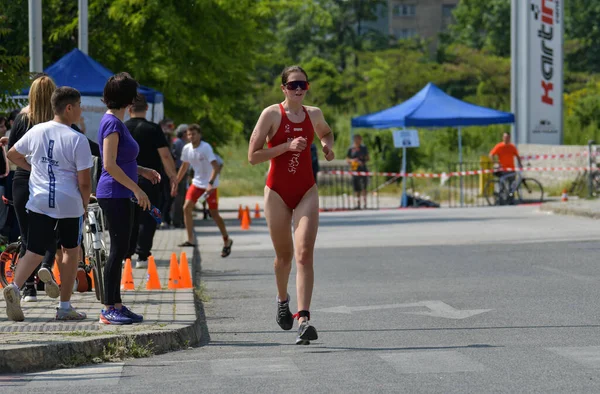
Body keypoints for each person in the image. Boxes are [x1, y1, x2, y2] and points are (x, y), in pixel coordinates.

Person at [248, 65, 335, 345]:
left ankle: (304, 319)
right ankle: (282, 299)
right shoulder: (272, 114)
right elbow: (253, 156)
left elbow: (326, 132)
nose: (299, 89)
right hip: (277, 192)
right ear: (283, 88)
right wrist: (286, 147)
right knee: (284, 258)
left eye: (303, 85)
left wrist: (326, 146)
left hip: (306, 190)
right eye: (293, 84)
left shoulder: (314, 113)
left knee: (304, 253)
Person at [3, 87, 93, 322]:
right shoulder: (78, 139)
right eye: (80, 106)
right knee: (70, 251)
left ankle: (14, 286)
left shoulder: (36, 131)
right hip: (69, 201)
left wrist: (34, 168)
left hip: (40, 199)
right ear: (69, 108)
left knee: (33, 250)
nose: (81, 112)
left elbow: (12, 153)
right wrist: (84, 204)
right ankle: (64, 306)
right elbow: (84, 182)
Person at [96, 72, 160, 325]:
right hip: (115, 193)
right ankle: (107, 308)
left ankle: (117, 304)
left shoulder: (116, 122)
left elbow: (122, 159)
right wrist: (137, 188)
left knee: (122, 250)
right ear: (129, 98)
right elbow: (109, 164)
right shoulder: (112, 123)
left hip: (120, 191)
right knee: (117, 251)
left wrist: (141, 170)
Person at [7, 76, 62, 302]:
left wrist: (29, 166)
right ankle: (46, 267)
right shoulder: (58, 122)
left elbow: (12, 152)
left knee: (26, 234)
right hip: (48, 182)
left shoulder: (22, 119)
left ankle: (28, 288)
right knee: (51, 230)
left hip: (22, 181)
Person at [125, 93, 177, 269]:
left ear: (129, 109)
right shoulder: (154, 129)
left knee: (128, 219)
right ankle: (142, 255)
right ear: (146, 108)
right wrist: (173, 177)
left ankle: (126, 256)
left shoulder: (123, 128)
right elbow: (165, 155)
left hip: (126, 180)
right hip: (151, 181)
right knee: (149, 217)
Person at [173, 124, 233, 257]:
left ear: (199, 135)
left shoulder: (205, 148)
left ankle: (226, 240)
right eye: (189, 134)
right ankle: (190, 239)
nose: (191, 137)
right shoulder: (187, 148)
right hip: (197, 183)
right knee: (186, 208)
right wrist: (176, 182)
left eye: (194, 134)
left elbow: (216, 167)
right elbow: (184, 165)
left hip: (209, 185)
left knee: (214, 214)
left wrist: (211, 184)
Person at [169, 124, 188, 228]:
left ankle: (180, 219)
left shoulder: (182, 143)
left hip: (181, 171)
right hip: (179, 171)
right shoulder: (180, 143)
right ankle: (177, 220)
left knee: (181, 197)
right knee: (179, 197)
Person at [346, 134, 370, 210]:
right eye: (356, 139)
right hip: (354, 170)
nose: (358, 141)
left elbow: (368, 158)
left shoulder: (364, 148)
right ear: (354, 140)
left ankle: (365, 203)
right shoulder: (351, 149)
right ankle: (358, 204)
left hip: (363, 169)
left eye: (359, 139)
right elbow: (347, 159)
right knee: (356, 188)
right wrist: (353, 161)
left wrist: (362, 160)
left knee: (364, 186)